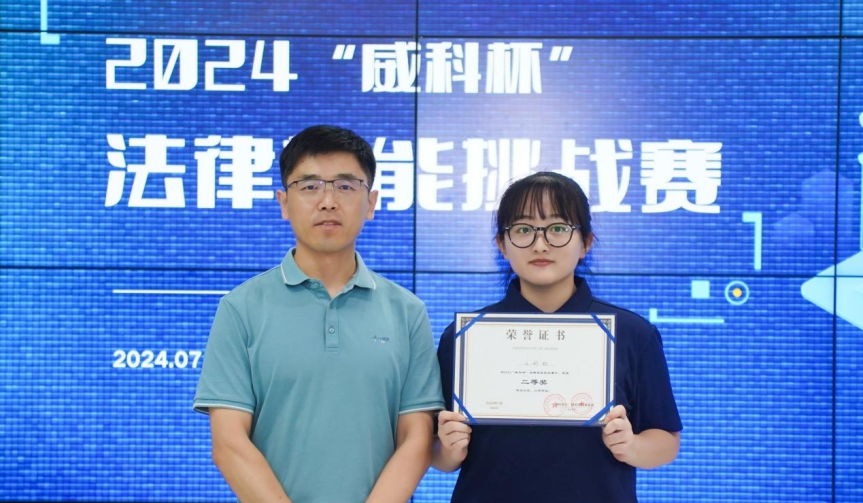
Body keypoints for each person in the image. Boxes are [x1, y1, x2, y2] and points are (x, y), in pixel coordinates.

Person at [193, 125, 444, 503]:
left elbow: (417, 438)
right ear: (283, 203)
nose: (328, 201)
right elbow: (229, 444)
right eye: (309, 186)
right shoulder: (241, 307)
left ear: (371, 203)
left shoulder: (407, 311)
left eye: (345, 186)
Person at [433, 171, 682, 502]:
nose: (540, 244)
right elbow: (435, 451)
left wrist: (632, 445)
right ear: (502, 245)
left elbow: (666, 440)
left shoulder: (633, 333)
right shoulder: (466, 337)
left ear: (586, 243)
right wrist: (448, 449)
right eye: (523, 229)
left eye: (558, 229)